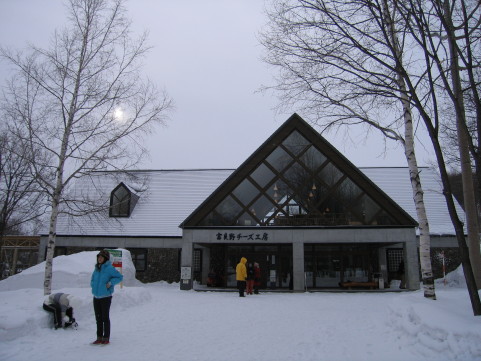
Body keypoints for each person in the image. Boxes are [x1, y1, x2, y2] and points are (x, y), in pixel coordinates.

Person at [90, 249, 123, 345]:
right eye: (98, 257)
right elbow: (92, 278)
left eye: (101, 257)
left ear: (105, 259)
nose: (99, 259)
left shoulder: (109, 268)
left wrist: (110, 283)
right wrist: (92, 284)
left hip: (105, 297)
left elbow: (119, 277)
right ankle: (99, 337)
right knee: (98, 318)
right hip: (96, 296)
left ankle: (106, 337)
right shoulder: (97, 268)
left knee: (105, 318)